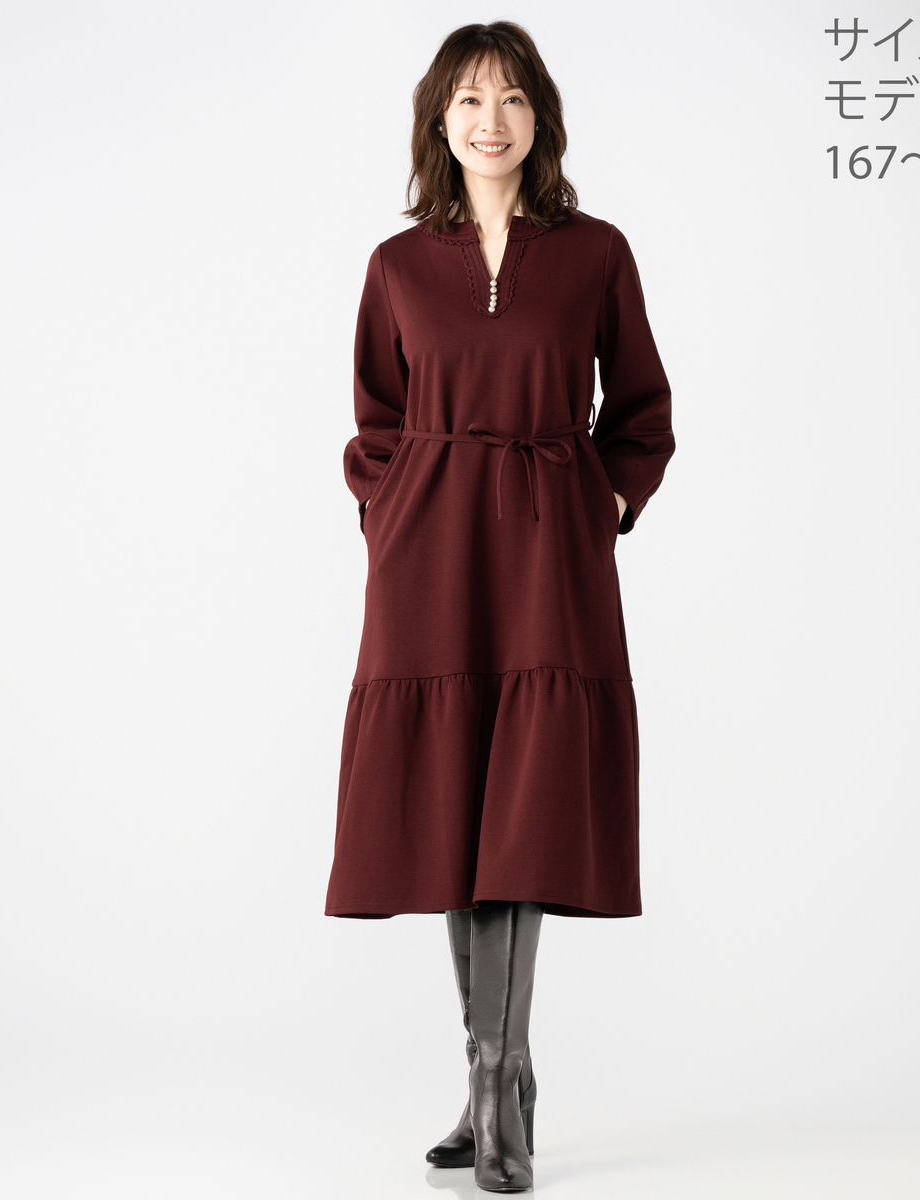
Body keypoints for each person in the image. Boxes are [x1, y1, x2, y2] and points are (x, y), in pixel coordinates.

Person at [326, 20, 675, 1193]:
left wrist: (601, 505)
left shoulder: (595, 253)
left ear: (541, 119)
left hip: (546, 552)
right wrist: (389, 509)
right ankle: (497, 1076)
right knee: (450, 800)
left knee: (522, 803)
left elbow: (642, 410)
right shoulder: (396, 263)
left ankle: (493, 1082)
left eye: (514, 99)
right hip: (427, 557)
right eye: (471, 100)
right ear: (440, 119)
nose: (492, 120)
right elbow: (375, 420)